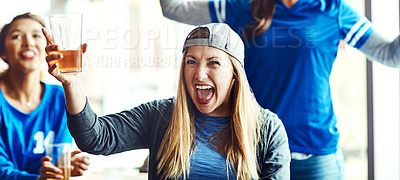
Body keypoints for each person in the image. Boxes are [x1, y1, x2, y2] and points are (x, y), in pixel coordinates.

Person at [156, 0, 400, 178]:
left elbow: (390, 55)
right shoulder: (245, 9)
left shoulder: (333, 10)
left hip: (317, 158)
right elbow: (175, 8)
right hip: (259, 152)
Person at [41, 23, 290, 179]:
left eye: (213, 62)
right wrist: (71, 83)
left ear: (235, 75)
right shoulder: (161, 115)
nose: (199, 74)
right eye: (191, 61)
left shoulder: (268, 129)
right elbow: (94, 138)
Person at [0, 13, 90, 179]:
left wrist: (62, 165)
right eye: (17, 36)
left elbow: (55, 159)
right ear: (3, 52)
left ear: (48, 48)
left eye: (36, 35)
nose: (29, 43)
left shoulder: (60, 98)